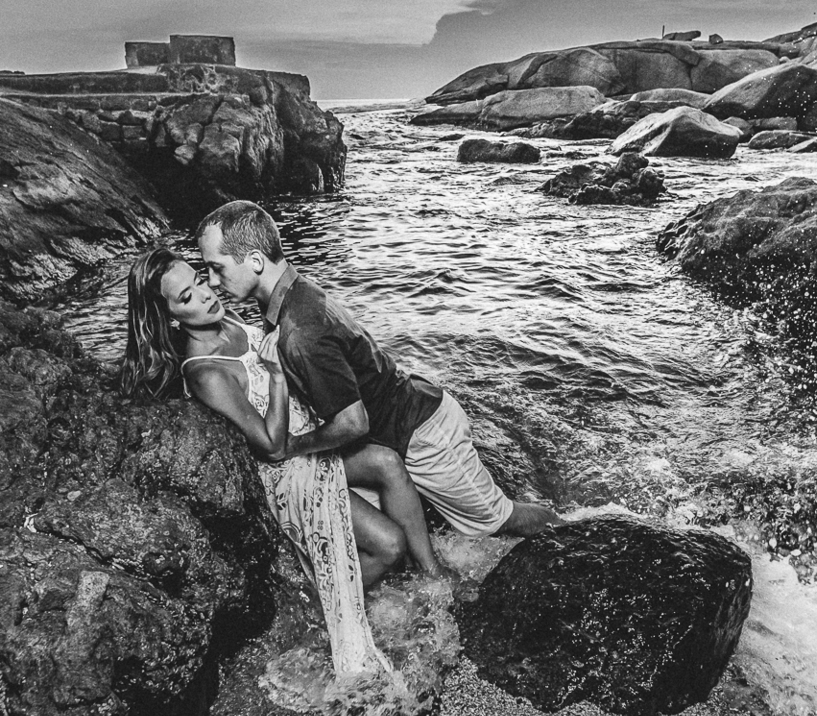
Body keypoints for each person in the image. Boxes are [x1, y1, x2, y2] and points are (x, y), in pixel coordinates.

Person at [118, 248, 445, 683]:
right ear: (168, 316)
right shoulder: (205, 372)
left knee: (387, 461)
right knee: (388, 545)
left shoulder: (229, 321)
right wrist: (275, 375)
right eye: (186, 297)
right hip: (284, 473)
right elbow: (271, 447)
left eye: (198, 279)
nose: (205, 294)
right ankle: (322, 606)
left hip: (303, 443)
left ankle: (435, 578)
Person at [196, 200, 560, 538]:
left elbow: (353, 423)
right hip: (403, 424)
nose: (212, 281)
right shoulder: (290, 294)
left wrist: (295, 446)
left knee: (500, 520)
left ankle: (572, 528)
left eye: (217, 268)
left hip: (423, 434)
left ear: (255, 261)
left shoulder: (301, 330)